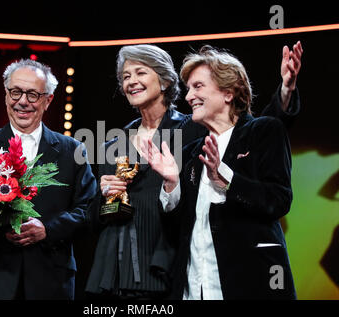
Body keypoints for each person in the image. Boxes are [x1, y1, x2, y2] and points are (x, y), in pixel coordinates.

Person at [85, 42, 302, 299]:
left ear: (165, 80)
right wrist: (163, 186)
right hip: (140, 276)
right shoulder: (121, 145)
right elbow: (94, 212)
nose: (131, 81)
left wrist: (286, 92)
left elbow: (255, 133)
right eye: (125, 76)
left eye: (141, 72)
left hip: (189, 274)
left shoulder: (198, 131)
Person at [0, 59, 97, 300]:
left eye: (33, 94)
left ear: (48, 101)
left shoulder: (72, 150)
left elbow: (89, 210)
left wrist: (47, 229)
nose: (22, 101)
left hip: (50, 279)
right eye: (15, 92)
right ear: (6, 95)